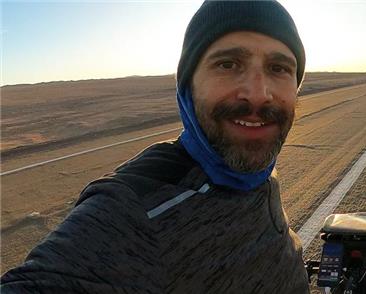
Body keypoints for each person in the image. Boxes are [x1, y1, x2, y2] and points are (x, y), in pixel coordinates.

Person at [1, 1, 309, 293]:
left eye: (279, 68)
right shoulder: (133, 210)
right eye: (228, 64)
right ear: (188, 86)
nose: (258, 94)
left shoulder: (254, 168)